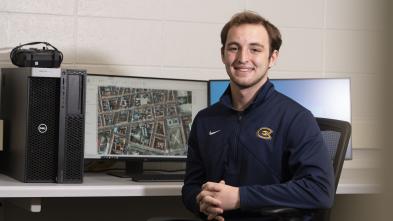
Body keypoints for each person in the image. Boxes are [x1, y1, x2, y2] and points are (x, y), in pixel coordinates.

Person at [182, 11, 334, 221]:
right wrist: (202, 202)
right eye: (234, 48)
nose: (243, 58)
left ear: (272, 57)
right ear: (223, 54)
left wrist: (239, 197)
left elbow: (319, 191)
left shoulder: (296, 118)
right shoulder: (205, 119)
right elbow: (190, 186)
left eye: (255, 49)